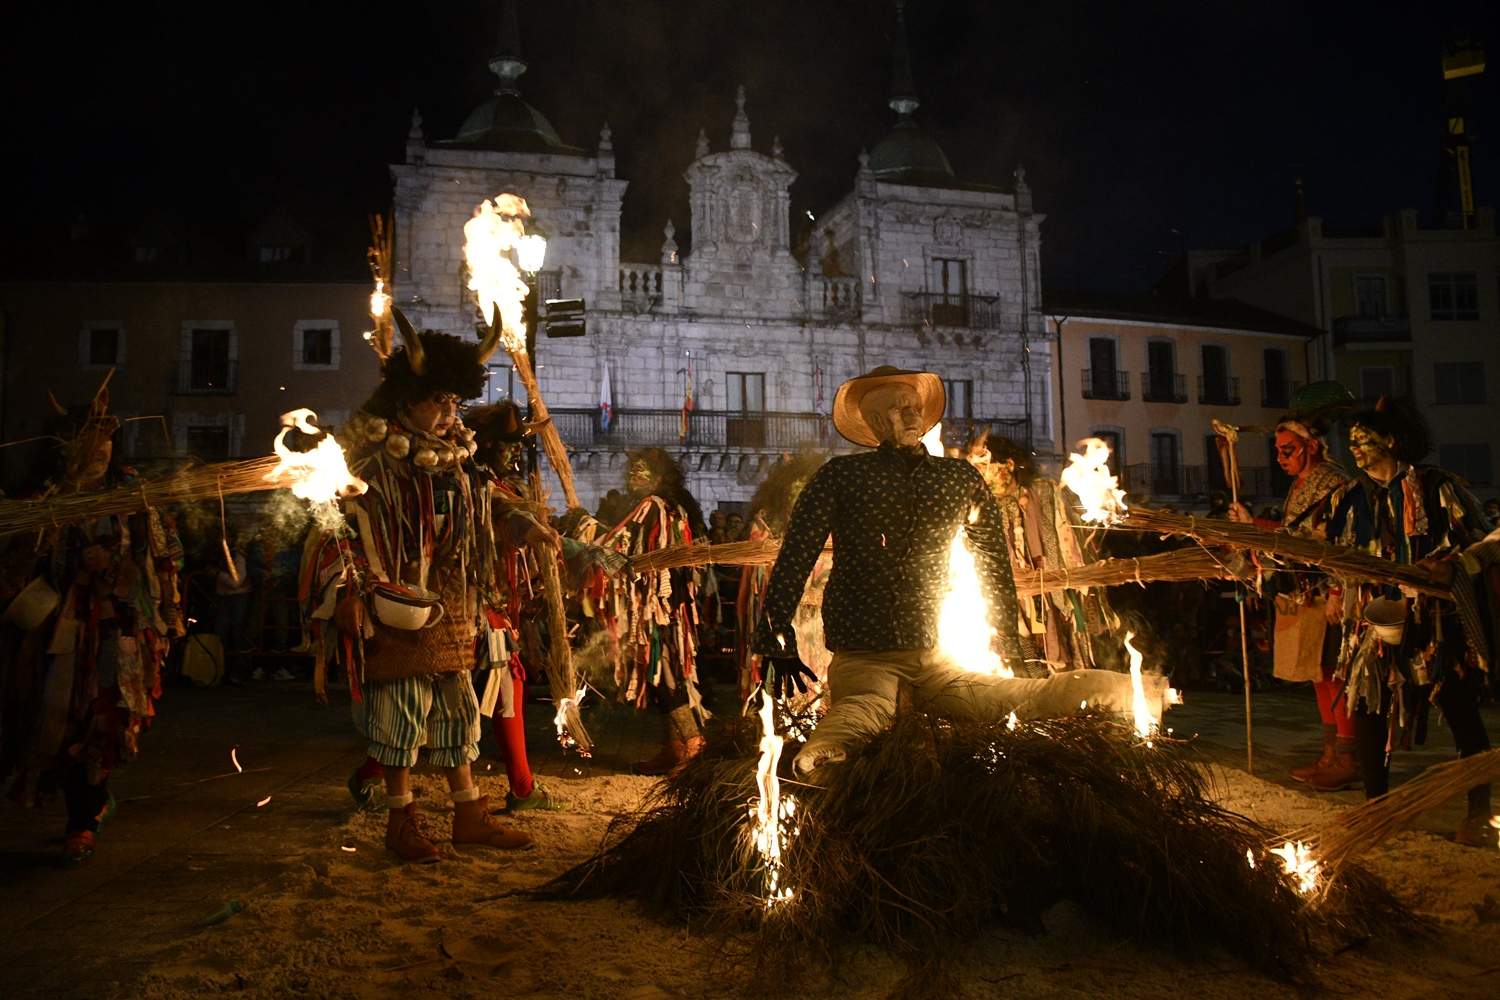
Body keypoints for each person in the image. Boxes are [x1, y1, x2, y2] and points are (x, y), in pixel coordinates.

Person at [751, 366, 1163, 778]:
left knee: (1026, 695)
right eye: (898, 410)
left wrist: (1013, 646)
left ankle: (1133, 691)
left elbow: (992, 565)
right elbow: (796, 557)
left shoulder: (958, 478)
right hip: (864, 657)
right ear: (876, 422)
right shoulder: (840, 478)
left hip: (936, 660)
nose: (912, 417)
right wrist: (776, 641)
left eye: (915, 408)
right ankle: (822, 754)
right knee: (861, 712)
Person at [307, 310, 533, 863]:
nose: (446, 412)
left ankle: (468, 814)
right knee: (401, 714)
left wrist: (529, 527)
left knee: (458, 711)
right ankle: (401, 822)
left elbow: (492, 507)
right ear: (406, 400)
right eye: (436, 400)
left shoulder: (461, 461)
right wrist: (350, 591)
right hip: (394, 606)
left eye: (454, 402)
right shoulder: (375, 462)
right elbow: (338, 528)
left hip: (453, 605)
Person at [0, 385, 185, 863]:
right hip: (52, 628)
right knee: (53, 721)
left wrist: (121, 570)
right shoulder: (42, 499)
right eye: (90, 447)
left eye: (106, 445)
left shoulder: (130, 492)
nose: (101, 454)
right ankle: (85, 806)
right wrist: (52, 553)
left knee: (103, 721)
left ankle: (83, 819)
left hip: (112, 627)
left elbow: (161, 556)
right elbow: (16, 563)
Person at [1325, 399, 1493, 846]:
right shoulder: (1348, 497)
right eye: (1351, 440)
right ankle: (1376, 809)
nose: (1354, 448)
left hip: (1436, 620)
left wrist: (1453, 565)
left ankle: (1479, 811)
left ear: (1392, 440)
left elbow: (1485, 539)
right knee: (1367, 704)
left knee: (1457, 705)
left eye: (1364, 439)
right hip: (1373, 621)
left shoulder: (1440, 487)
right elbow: (1334, 552)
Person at [1228, 417, 1353, 789]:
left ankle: (1348, 758)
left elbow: (1331, 539)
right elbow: (1290, 533)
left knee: (1333, 673)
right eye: (1278, 452)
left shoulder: (1331, 481)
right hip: (1303, 591)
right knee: (1317, 674)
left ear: (1311, 446)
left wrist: (1337, 592)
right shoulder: (1299, 485)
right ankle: (1329, 753)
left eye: (1288, 450)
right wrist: (1254, 526)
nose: (1281, 458)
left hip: (1327, 588)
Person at [965, 433, 1117, 676]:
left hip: (1049, 582)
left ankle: (1064, 688)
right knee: (1018, 641)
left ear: (1009, 465)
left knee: (1055, 635)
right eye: (975, 466)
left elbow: (1062, 538)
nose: (980, 473)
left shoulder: (1043, 492)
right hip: (1005, 590)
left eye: (985, 465)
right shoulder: (980, 506)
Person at [599, 447, 710, 775]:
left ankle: (692, 744)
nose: (633, 475)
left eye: (641, 470)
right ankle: (673, 748)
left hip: (657, 606)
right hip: (668, 605)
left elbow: (617, 544)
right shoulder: (673, 506)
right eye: (632, 469)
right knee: (661, 673)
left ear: (659, 478)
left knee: (664, 674)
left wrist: (584, 529)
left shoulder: (653, 506)